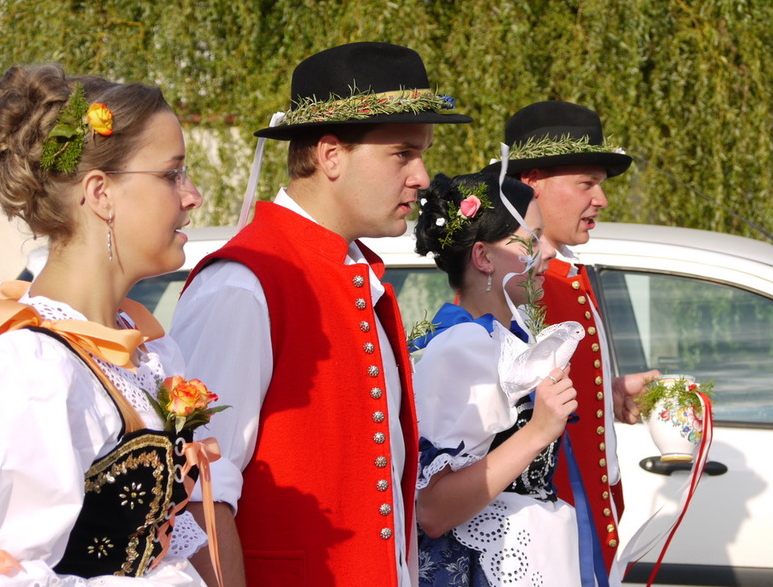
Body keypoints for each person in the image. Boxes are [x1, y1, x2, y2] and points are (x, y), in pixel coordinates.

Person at [171, 42, 472, 587]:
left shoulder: (354, 272)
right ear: (331, 155)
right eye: (403, 153)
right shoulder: (243, 284)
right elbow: (198, 493)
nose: (423, 176)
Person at [0, 64, 215, 585]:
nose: (192, 195)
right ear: (100, 193)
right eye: (172, 174)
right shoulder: (19, 370)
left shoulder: (147, 353)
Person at [486, 100, 662, 581]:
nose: (601, 199)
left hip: (587, 513)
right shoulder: (515, 283)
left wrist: (608, 394)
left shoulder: (562, 272)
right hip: (554, 522)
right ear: (531, 184)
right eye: (586, 183)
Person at [410, 172, 588, 585]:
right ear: (484, 257)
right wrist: (537, 432)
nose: (547, 252)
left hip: (531, 554)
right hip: (485, 567)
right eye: (532, 239)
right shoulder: (462, 348)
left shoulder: (507, 338)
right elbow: (432, 510)